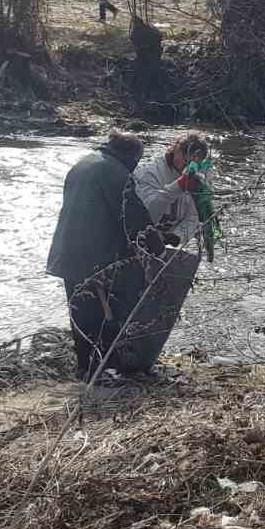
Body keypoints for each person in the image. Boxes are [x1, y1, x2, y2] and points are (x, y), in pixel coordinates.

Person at [46, 128, 155, 380]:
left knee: (79, 312)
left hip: (67, 252)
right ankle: (103, 367)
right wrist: (156, 243)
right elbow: (133, 216)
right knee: (103, 312)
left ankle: (86, 367)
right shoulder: (115, 173)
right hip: (93, 258)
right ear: (130, 156)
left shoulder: (83, 164)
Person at [133, 133, 210, 262]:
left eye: (195, 161)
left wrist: (176, 237)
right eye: (185, 158)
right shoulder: (149, 173)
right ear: (175, 150)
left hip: (167, 245)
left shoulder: (196, 178)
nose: (188, 164)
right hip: (138, 240)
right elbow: (148, 213)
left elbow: (194, 217)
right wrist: (178, 186)